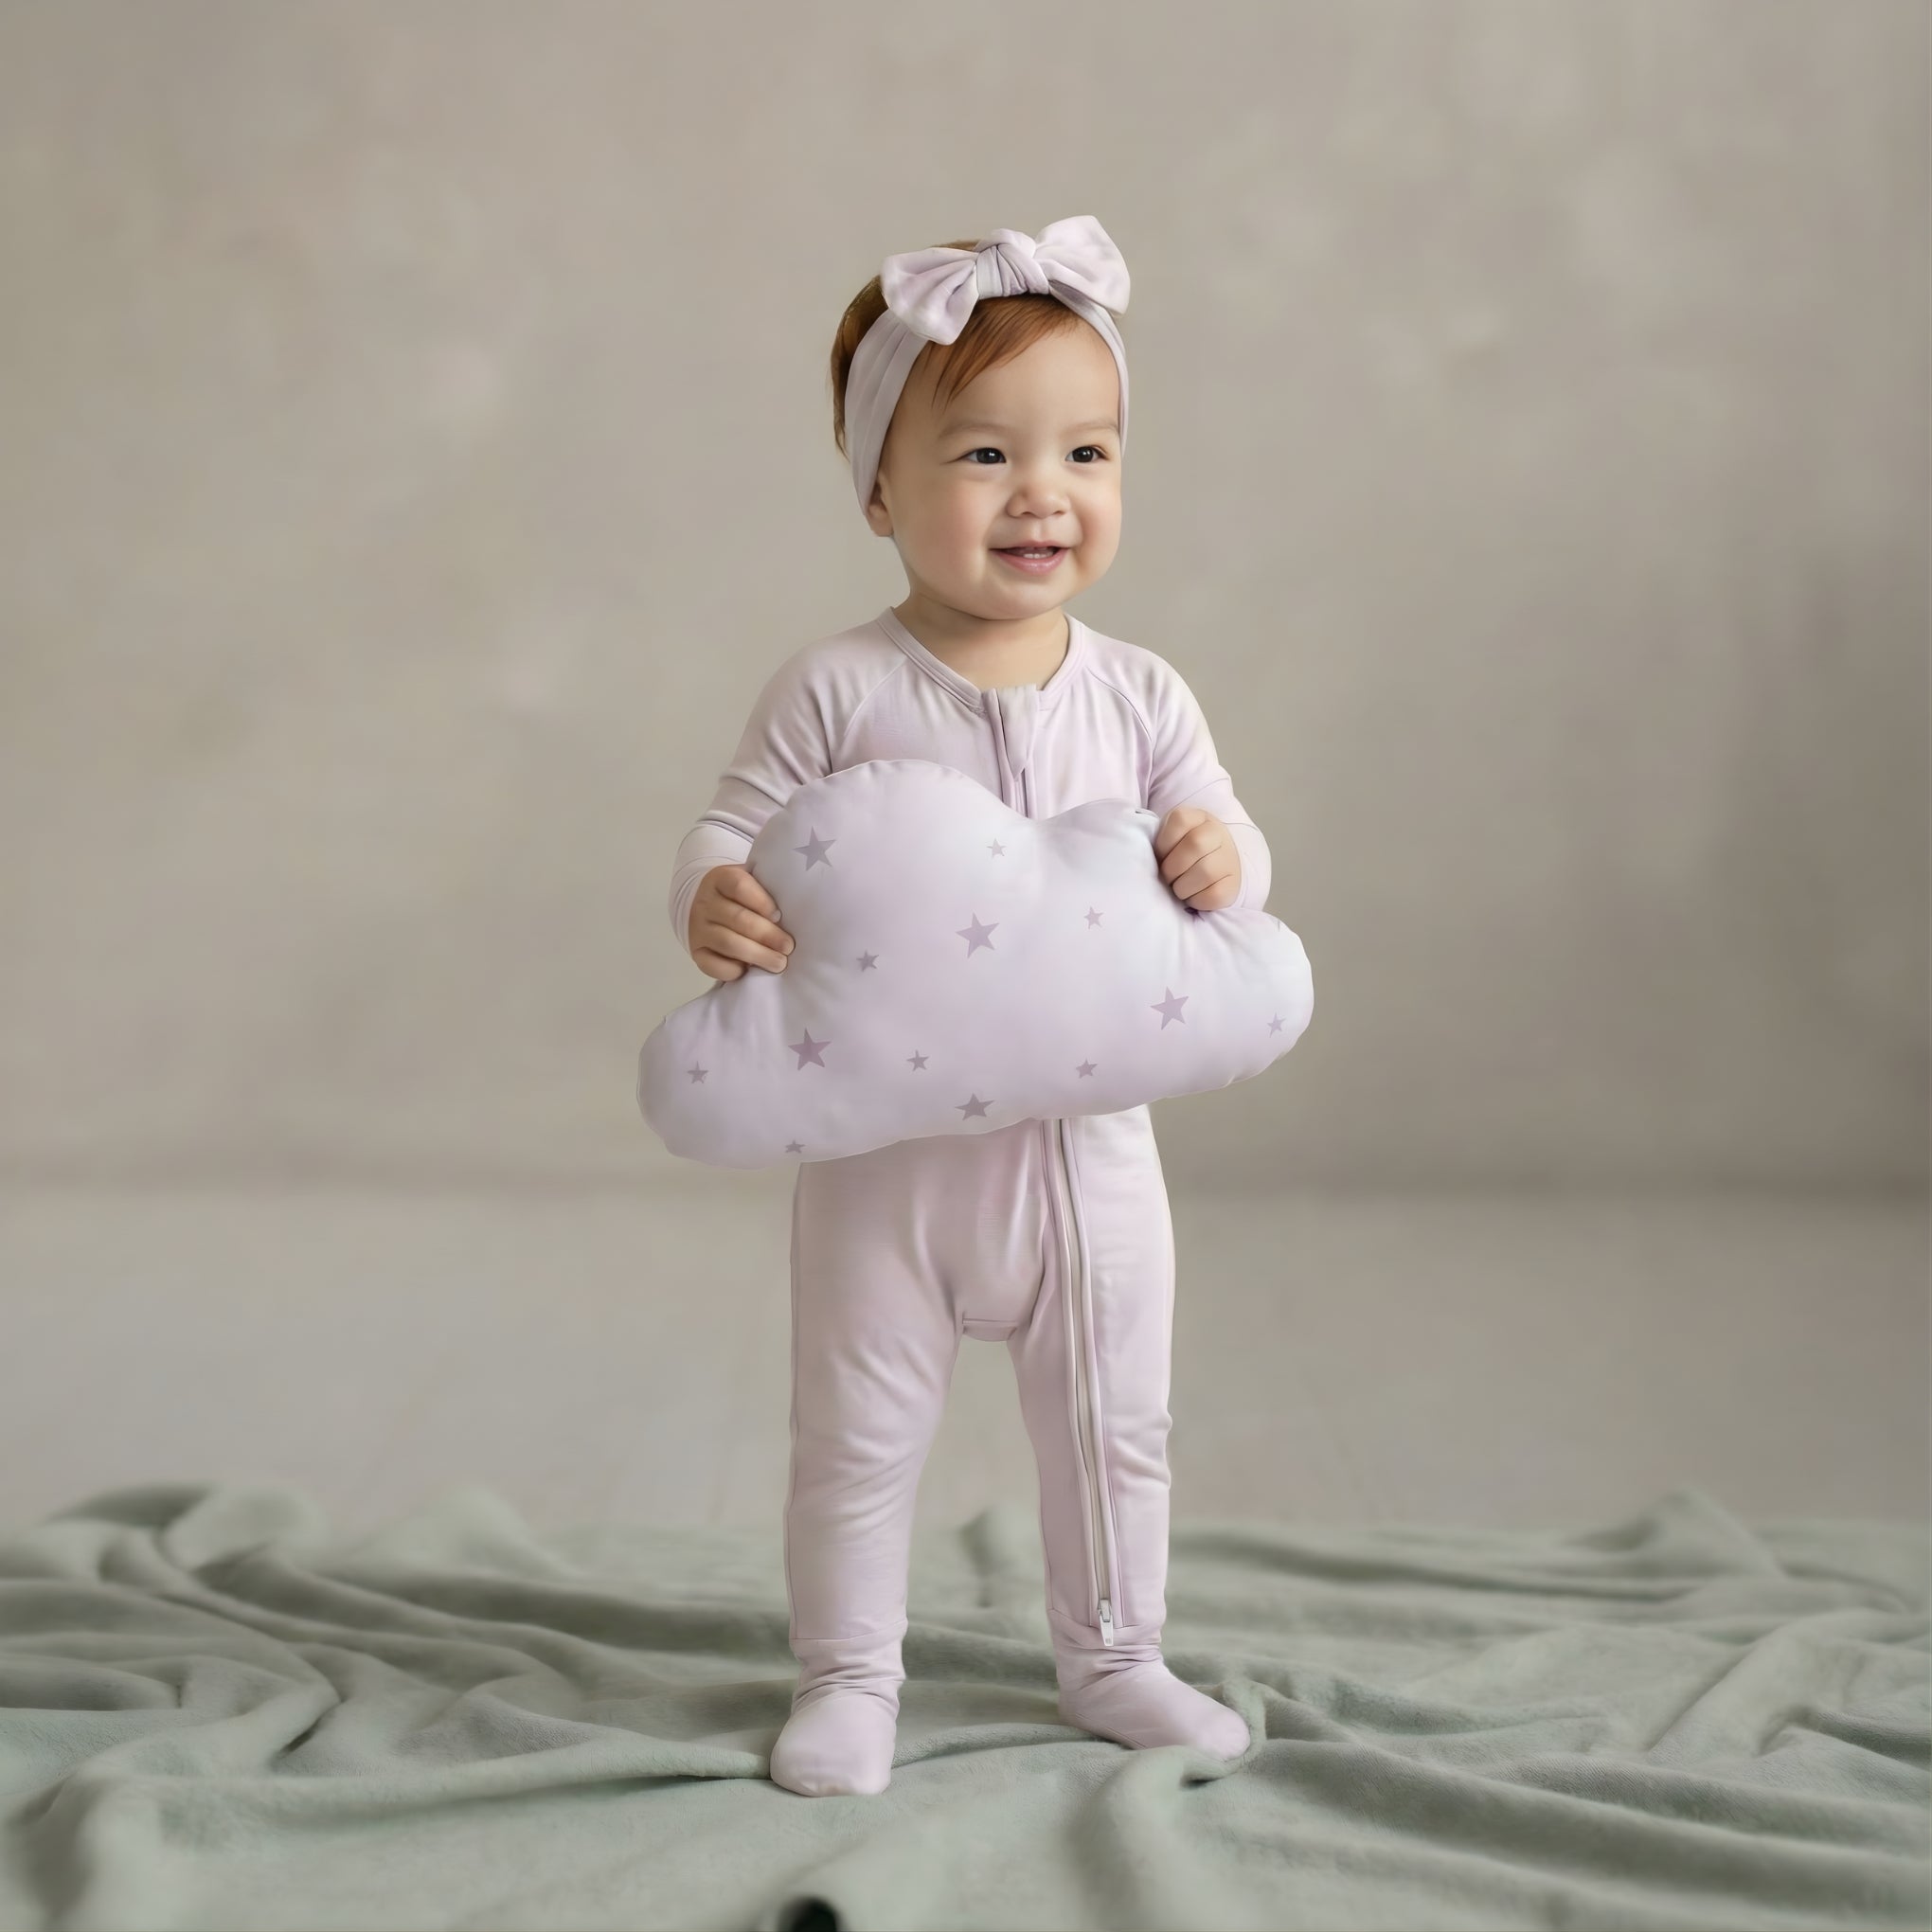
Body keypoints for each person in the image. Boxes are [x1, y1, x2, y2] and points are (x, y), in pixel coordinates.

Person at [667, 217, 1269, 1797]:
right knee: (856, 1438)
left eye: (1087, 451)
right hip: (888, 1172)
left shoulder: (1140, 693)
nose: (1041, 493)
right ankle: (849, 1677)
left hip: (1091, 1160)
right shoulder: (839, 687)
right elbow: (732, 827)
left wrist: (1225, 855)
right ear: (880, 489)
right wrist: (712, 894)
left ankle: (1118, 1658)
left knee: (1116, 1429)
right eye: (987, 453)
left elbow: (1223, 834)